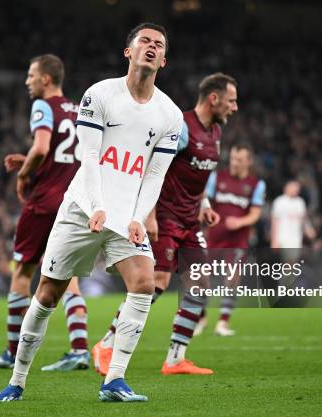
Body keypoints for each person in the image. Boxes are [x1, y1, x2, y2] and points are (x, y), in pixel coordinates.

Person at [0, 22, 182, 403]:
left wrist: (138, 216)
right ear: (128, 51)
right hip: (81, 207)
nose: (151, 47)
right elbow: (89, 157)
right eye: (144, 41)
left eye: (158, 45)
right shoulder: (100, 94)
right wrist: (96, 206)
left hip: (125, 215)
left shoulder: (170, 115)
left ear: (164, 59)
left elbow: (156, 173)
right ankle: (17, 380)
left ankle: (114, 380)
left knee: (144, 283)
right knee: (47, 293)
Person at [92, 73, 239, 376]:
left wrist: (206, 206)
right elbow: (152, 167)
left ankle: (175, 358)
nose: (234, 107)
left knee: (199, 284)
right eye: (231, 100)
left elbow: (198, 178)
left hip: (190, 221)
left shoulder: (216, 133)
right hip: (165, 218)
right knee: (155, 282)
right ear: (214, 98)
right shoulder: (182, 128)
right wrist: (149, 215)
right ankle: (106, 344)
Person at [0, 54, 90, 372]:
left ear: (46, 78)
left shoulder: (42, 106)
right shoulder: (79, 111)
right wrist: (31, 159)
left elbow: (44, 146)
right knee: (69, 277)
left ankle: (10, 351)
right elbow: (72, 156)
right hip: (74, 202)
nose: (27, 81)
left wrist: (24, 175)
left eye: (31, 75)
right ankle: (79, 349)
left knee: (22, 273)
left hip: (44, 202)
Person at [196, 142, 265, 336]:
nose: (234, 163)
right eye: (233, 158)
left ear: (248, 162)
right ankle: (201, 319)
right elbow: (204, 201)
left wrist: (240, 221)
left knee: (231, 280)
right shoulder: (217, 178)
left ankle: (223, 324)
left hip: (237, 242)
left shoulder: (256, 185)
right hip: (213, 239)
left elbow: (255, 214)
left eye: (240, 160)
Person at [270, 180, 316, 259]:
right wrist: (274, 240)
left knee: (293, 261)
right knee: (289, 261)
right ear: (287, 188)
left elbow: (304, 219)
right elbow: (275, 221)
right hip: (283, 237)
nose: (296, 190)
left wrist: (308, 229)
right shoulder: (279, 202)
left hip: (296, 237)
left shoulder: (300, 202)